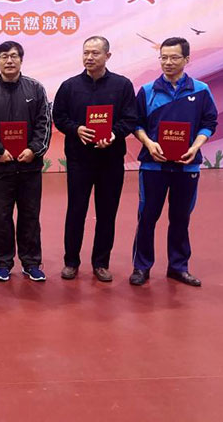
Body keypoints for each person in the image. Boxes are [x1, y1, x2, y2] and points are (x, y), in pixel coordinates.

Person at [130, 37, 218, 287]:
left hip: (187, 167)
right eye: (164, 57)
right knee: (147, 217)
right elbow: (136, 123)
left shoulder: (201, 90)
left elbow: (209, 122)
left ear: (186, 59)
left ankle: (178, 267)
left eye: (174, 57)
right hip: (153, 167)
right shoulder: (147, 90)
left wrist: (195, 146)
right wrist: (149, 144)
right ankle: (141, 267)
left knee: (181, 218)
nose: (168, 62)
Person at [52, 36, 136, 282]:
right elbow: (59, 117)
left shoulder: (122, 85)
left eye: (95, 53)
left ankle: (101, 262)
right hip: (79, 160)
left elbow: (130, 119)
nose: (89, 57)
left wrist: (114, 134)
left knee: (107, 212)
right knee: (76, 211)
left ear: (107, 56)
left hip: (111, 160)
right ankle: (71, 262)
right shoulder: (69, 86)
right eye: (86, 53)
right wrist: (76, 129)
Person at [0, 41, 51, 282]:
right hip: (1, 166)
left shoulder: (35, 88)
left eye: (14, 56)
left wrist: (33, 150)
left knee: (30, 215)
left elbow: (44, 123)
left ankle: (31, 262)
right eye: (4, 56)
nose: (9, 61)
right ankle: (2, 262)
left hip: (30, 165)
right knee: (1, 215)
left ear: (21, 59)